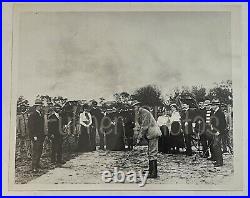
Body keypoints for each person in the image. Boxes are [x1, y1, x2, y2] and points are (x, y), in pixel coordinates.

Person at [132, 101, 162, 178]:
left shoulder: (144, 112)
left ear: (138, 106)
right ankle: (151, 170)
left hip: (153, 133)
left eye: (135, 106)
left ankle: (153, 173)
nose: (133, 108)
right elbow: (141, 126)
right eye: (133, 107)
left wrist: (139, 137)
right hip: (149, 134)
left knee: (152, 153)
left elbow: (144, 126)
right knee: (150, 152)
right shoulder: (139, 113)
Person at [28, 99, 45, 173]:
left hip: (41, 136)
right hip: (36, 136)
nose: (41, 107)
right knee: (35, 151)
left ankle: (37, 163)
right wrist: (34, 135)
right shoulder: (33, 115)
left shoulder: (40, 114)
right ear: (37, 106)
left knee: (40, 150)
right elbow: (31, 126)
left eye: (41, 106)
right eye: (40, 106)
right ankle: (34, 166)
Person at [210, 99, 226, 167]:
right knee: (216, 146)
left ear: (216, 105)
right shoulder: (214, 112)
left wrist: (219, 131)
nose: (212, 106)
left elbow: (223, 124)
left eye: (213, 105)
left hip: (218, 132)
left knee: (216, 146)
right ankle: (218, 160)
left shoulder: (220, 113)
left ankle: (219, 162)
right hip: (215, 131)